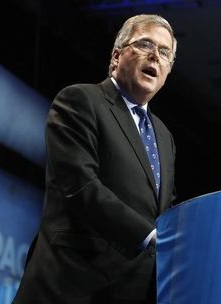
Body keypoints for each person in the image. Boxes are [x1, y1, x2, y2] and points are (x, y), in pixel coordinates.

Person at [13, 14, 177, 304]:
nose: (155, 56)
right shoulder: (80, 101)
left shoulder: (163, 136)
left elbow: (163, 208)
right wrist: (149, 235)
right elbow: (80, 185)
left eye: (165, 53)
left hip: (130, 292)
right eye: (145, 45)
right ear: (116, 57)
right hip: (71, 285)